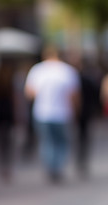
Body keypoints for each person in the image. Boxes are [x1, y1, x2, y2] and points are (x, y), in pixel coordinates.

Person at [24, 45, 80, 183]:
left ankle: (51, 167)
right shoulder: (68, 71)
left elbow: (29, 93)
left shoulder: (37, 70)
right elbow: (74, 96)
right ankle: (57, 168)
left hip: (42, 113)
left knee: (47, 142)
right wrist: (76, 111)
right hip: (62, 113)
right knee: (61, 142)